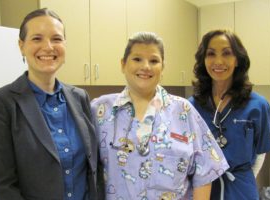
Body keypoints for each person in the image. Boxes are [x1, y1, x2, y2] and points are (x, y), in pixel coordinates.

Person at [91, 31, 229, 200]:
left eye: (154, 60)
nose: (146, 66)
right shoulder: (100, 110)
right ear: (123, 64)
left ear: (162, 67)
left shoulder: (183, 110)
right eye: (137, 59)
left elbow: (205, 173)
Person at [0, 8, 103, 200]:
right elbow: (3, 185)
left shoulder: (80, 97)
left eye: (56, 39)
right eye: (37, 38)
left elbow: (93, 168)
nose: (48, 47)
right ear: (21, 46)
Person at [188, 29, 270, 200]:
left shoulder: (258, 106)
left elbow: (260, 154)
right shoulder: (190, 107)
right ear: (203, 60)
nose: (218, 61)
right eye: (211, 54)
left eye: (227, 53)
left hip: (241, 190)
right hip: (202, 189)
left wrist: (242, 181)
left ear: (237, 60)